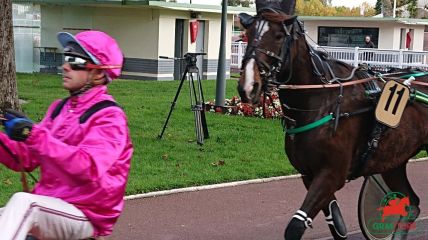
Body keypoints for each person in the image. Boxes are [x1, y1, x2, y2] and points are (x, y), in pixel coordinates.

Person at [0, 30, 133, 239]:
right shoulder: (59, 109)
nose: (65, 66)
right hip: (53, 204)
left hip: (88, 212)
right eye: (66, 57)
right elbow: (25, 159)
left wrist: (32, 134)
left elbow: (87, 167)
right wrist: (20, 136)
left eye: (75, 60)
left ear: (99, 73)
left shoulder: (109, 117)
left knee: (24, 203)